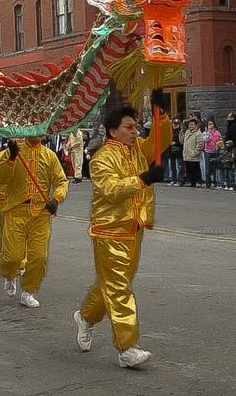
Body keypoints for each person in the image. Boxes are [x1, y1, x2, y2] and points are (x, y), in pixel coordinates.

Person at [73, 91, 171, 368]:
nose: (134, 131)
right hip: (109, 231)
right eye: (129, 127)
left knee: (114, 285)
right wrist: (143, 179)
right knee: (118, 288)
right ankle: (127, 347)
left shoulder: (137, 149)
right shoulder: (102, 158)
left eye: (136, 126)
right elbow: (111, 190)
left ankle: (86, 317)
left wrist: (161, 115)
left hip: (133, 228)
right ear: (112, 130)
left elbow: (160, 142)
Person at [0, 137, 68, 308]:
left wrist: (56, 198)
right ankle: (9, 274)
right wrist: (11, 159)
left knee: (39, 257)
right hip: (15, 211)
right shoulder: (12, 152)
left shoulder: (49, 155)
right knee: (12, 257)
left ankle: (28, 291)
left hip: (40, 214)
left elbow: (61, 181)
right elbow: (1, 179)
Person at [181, 118, 204, 187]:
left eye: (192, 124)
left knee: (195, 169)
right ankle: (191, 181)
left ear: (195, 125)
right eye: (189, 124)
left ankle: (198, 182)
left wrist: (195, 152)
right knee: (188, 170)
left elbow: (200, 144)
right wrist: (182, 132)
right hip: (187, 154)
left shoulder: (198, 133)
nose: (190, 126)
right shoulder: (187, 132)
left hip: (194, 155)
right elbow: (182, 141)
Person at [202, 119, 222, 188]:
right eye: (209, 124)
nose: (210, 126)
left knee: (215, 168)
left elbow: (220, 140)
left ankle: (215, 182)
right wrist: (208, 132)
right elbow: (205, 139)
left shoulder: (217, 132)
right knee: (208, 168)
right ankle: (208, 183)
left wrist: (219, 145)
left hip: (215, 151)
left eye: (212, 124)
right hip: (208, 152)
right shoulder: (205, 132)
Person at [168, 117, 184, 186]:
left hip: (179, 151)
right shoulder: (170, 131)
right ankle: (173, 179)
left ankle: (180, 180)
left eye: (176, 124)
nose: (175, 125)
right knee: (172, 166)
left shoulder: (181, 132)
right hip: (171, 151)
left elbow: (182, 141)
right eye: (174, 123)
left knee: (180, 166)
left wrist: (175, 143)